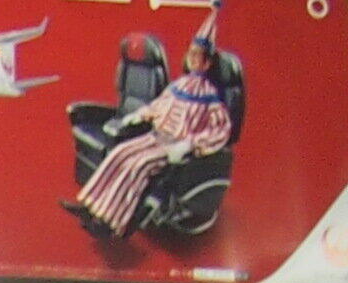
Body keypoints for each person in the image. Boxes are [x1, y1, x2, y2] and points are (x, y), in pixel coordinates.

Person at [73, 35, 234, 236]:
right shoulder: (179, 85)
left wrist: (189, 145)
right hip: (155, 137)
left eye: (197, 56)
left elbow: (220, 131)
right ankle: (91, 206)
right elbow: (158, 106)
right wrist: (139, 115)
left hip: (173, 148)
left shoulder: (210, 96)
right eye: (190, 54)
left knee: (137, 165)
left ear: (207, 63)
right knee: (119, 153)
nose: (192, 59)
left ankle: (113, 223)